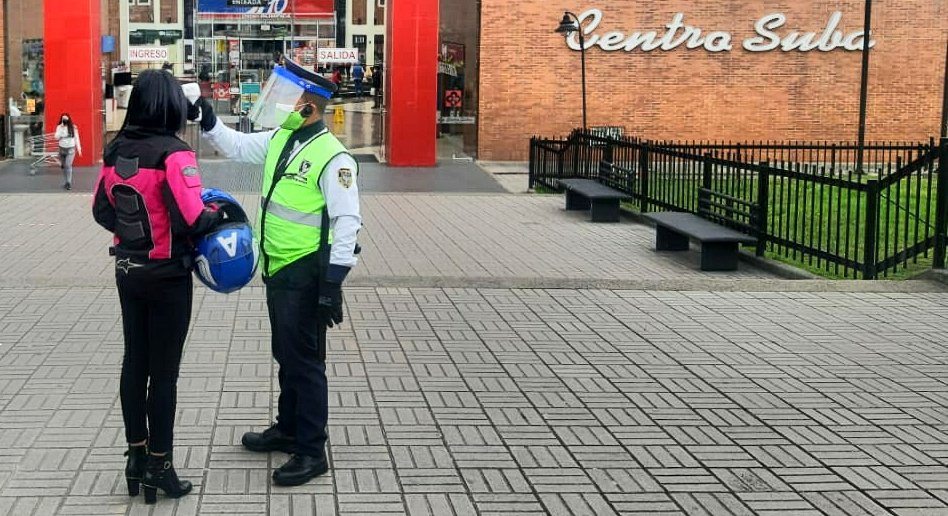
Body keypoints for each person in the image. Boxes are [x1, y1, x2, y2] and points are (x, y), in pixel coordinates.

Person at [187, 58, 361, 487]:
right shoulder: (285, 138)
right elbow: (238, 146)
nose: (284, 107)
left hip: (307, 274)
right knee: (286, 354)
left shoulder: (334, 158)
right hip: (278, 268)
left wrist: (332, 286)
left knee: (305, 362)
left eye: (293, 100)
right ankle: (288, 427)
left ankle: (310, 449)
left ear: (310, 106)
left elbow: (347, 223)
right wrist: (208, 116)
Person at [92, 69, 224, 505]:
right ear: (170, 106)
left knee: (135, 362)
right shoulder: (176, 154)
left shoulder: (114, 152)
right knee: (164, 374)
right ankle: (160, 467)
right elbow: (193, 217)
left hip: (128, 272)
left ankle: (135, 457)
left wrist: (133, 238)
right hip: (168, 276)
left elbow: (101, 210)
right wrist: (220, 214)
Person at [55, 113, 81, 190]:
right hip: (62, 149)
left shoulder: (73, 127)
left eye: (66, 119)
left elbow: (77, 138)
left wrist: (79, 149)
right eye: (63, 119)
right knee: (64, 166)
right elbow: (56, 137)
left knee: (68, 165)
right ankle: (66, 181)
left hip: (71, 149)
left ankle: (69, 183)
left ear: (69, 119)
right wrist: (61, 128)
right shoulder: (59, 127)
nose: (65, 120)